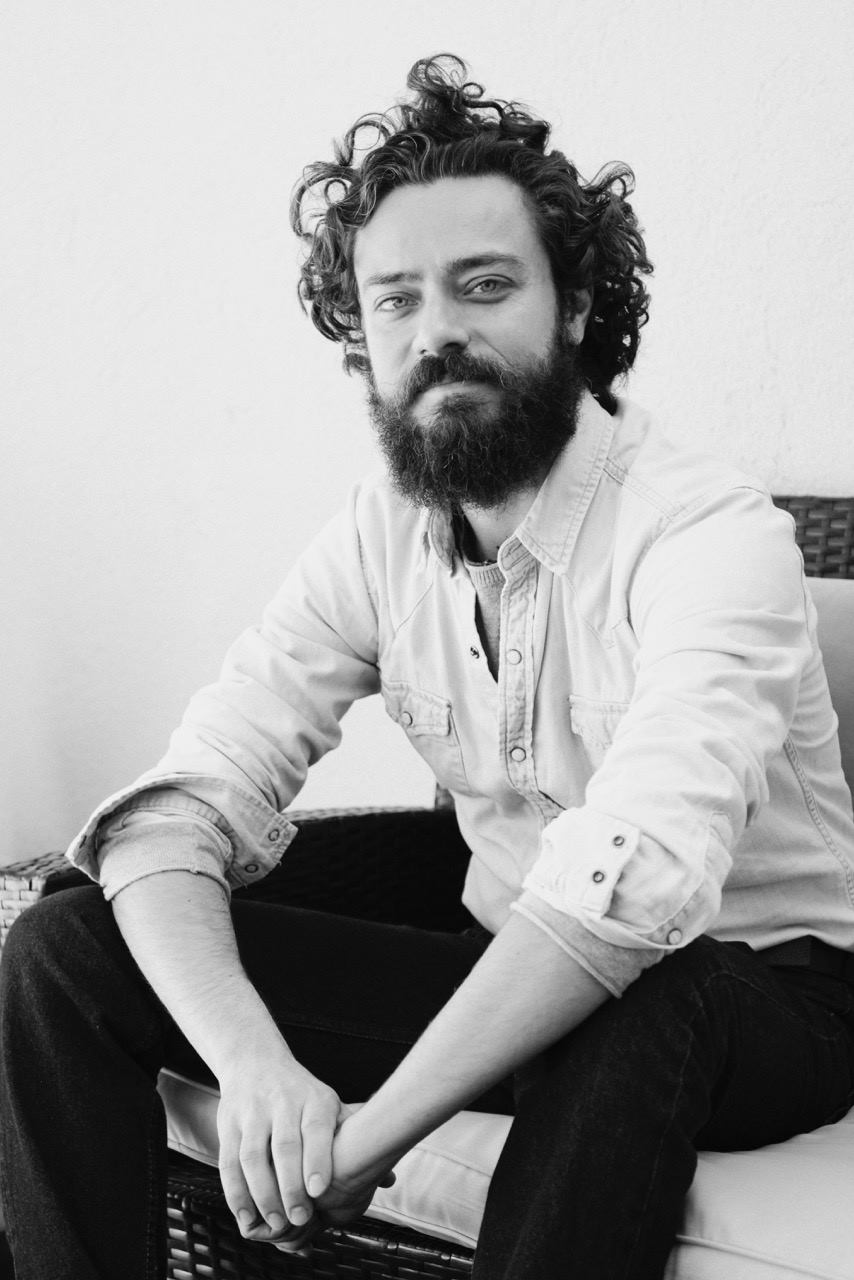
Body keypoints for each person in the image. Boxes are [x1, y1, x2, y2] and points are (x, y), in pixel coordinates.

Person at [2, 53, 854, 1280]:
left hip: (768, 997)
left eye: (484, 284)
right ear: (363, 337)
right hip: (500, 960)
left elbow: (632, 884)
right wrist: (254, 1064)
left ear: (575, 307)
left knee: (641, 993)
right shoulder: (379, 533)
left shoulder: (709, 535)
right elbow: (180, 804)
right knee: (65, 947)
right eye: (394, 299)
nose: (436, 330)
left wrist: (369, 1139)